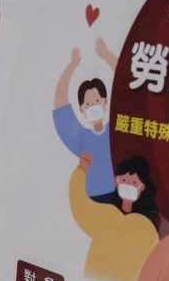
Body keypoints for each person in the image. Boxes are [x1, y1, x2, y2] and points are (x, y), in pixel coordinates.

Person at [69, 151, 159, 281]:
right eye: (124, 180)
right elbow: (81, 205)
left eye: (134, 183)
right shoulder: (106, 212)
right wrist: (82, 170)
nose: (128, 186)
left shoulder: (147, 224)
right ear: (116, 180)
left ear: (142, 186)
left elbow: (152, 259)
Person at [51, 36, 120, 197]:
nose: (93, 106)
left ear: (105, 100)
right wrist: (71, 66)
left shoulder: (116, 129)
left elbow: (125, 86)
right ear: (81, 109)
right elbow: (61, 107)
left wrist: (107, 55)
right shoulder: (82, 138)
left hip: (119, 195)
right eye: (88, 104)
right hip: (92, 199)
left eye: (96, 101)